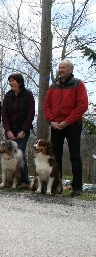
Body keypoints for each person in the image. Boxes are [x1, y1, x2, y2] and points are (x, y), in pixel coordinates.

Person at [44, 59, 88, 196]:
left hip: (73, 125)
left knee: (74, 155)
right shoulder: (53, 86)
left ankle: (77, 188)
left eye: (64, 68)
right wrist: (51, 121)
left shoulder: (78, 84)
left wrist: (67, 121)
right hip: (56, 125)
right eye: (59, 67)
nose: (60, 70)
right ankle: (57, 185)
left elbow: (82, 106)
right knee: (55, 156)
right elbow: (46, 105)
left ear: (70, 70)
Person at [1, 73, 35, 187]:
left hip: (22, 129)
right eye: (9, 81)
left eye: (13, 81)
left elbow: (30, 114)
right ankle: (9, 181)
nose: (10, 83)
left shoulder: (28, 95)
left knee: (20, 153)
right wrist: (8, 130)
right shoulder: (8, 96)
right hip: (10, 130)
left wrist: (24, 130)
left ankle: (24, 181)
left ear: (19, 82)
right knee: (9, 155)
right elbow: (4, 114)